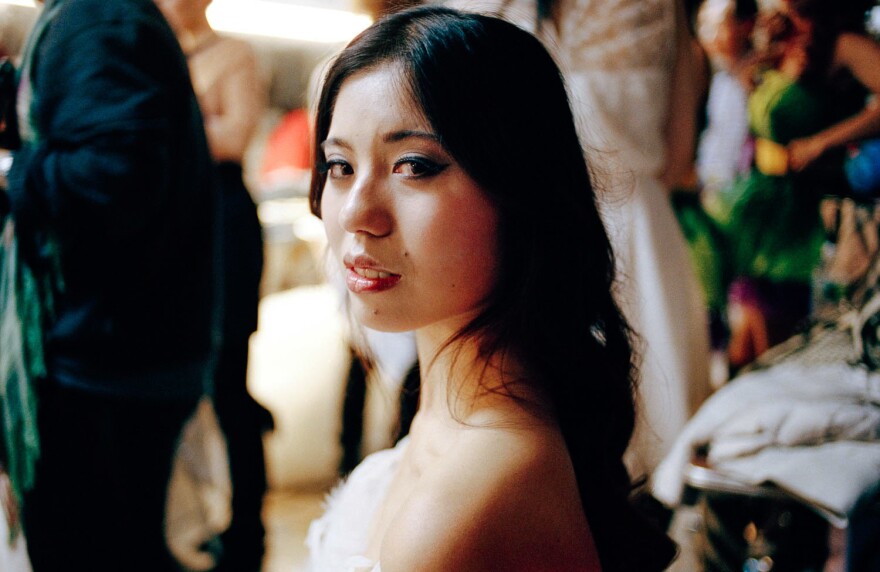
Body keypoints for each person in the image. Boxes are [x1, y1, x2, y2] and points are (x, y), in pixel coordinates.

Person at [305, 6, 676, 571]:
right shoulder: (451, 419)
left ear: (520, 192)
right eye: (339, 166)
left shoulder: (466, 506)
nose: (358, 213)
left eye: (413, 166)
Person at [440, 0, 713, 480]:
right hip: (632, 227)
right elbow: (678, 153)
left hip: (538, 231)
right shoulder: (657, 9)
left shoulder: (479, 13)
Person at [5, 0, 217, 570]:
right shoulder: (103, 16)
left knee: (90, 550)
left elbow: (109, 182)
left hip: (106, 362)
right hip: (123, 350)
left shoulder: (98, 18)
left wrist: (17, 171)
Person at [154, 1, 272, 569]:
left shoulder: (233, 53)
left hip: (222, 221)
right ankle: (181, 523)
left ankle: (247, 533)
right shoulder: (147, 49)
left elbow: (231, 139)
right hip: (170, 221)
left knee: (228, 384)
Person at [705, 0, 880, 369]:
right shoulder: (782, 36)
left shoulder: (843, 42)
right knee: (742, 354)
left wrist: (823, 142)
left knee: (770, 353)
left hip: (796, 214)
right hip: (757, 204)